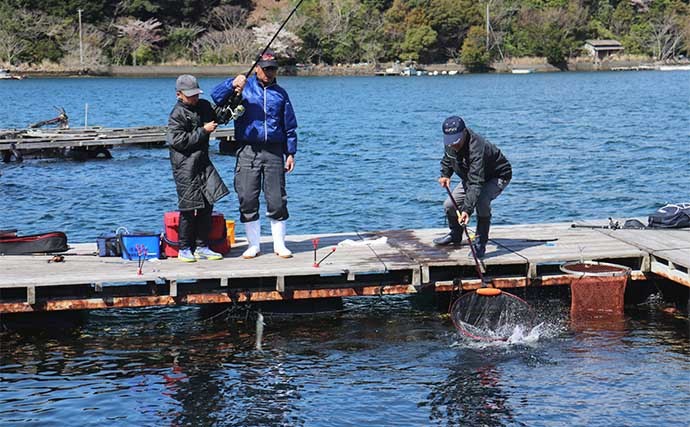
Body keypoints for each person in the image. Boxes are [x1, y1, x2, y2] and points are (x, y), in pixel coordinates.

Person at [227, 49, 298, 259]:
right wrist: (233, 83)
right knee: (247, 197)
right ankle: (253, 245)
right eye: (266, 69)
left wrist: (291, 153)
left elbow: (290, 126)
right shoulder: (244, 89)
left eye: (273, 69)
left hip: (275, 151)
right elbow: (217, 97)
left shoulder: (281, 94)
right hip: (248, 150)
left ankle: (279, 245)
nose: (269, 73)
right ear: (257, 68)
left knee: (276, 199)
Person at [166, 74, 229, 262]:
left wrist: (234, 96)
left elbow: (220, 115)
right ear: (179, 95)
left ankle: (202, 246)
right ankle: (184, 248)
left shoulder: (203, 106)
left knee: (208, 204)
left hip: (203, 163)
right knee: (188, 208)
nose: (194, 98)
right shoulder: (176, 114)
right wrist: (203, 131)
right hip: (185, 166)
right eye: (190, 95)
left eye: (196, 94)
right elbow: (177, 141)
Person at [433, 116, 512, 258]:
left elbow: (476, 183)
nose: (453, 145)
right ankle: (455, 235)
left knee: (481, 201)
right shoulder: (450, 142)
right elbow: (447, 159)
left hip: (496, 176)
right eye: (450, 142)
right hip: (471, 177)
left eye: (456, 142)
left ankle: (480, 244)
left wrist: (467, 210)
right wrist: (445, 174)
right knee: (450, 205)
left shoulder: (477, 147)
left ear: (464, 133)